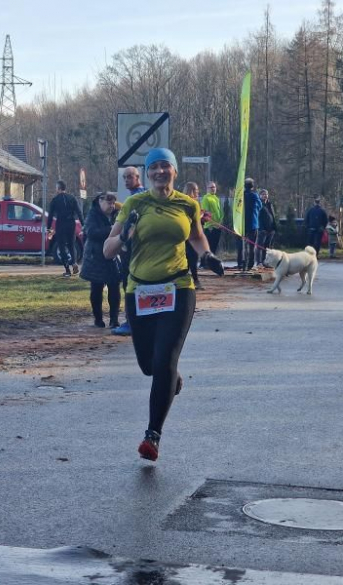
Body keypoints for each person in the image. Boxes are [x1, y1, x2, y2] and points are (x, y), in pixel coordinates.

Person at [103, 148, 224, 462]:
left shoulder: (187, 204)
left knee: (164, 360)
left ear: (174, 172)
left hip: (178, 288)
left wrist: (207, 255)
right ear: (146, 174)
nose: (159, 172)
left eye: (165, 167)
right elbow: (107, 249)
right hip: (140, 290)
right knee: (149, 366)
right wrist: (125, 236)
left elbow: (197, 237)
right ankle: (169, 376)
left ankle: (152, 435)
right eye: (153, 167)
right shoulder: (134, 204)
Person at [111, 167, 146, 337]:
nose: (126, 180)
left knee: (130, 285)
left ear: (138, 177)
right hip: (140, 247)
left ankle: (132, 321)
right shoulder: (140, 195)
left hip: (133, 248)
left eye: (130, 177)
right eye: (124, 177)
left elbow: (131, 223)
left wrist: (123, 242)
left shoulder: (136, 198)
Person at [81, 192, 121, 328]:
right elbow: (91, 232)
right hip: (95, 256)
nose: (112, 205)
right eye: (109, 202)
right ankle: (98, 318)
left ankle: (114, 319)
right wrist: (111, 229)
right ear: (100, 201)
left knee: (114, 287)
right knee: (96, 289)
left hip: (112, 255)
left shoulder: (117, 213)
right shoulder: (92, 214)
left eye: (113, 203)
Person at [46, 180, 84, 277]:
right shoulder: (72, 198)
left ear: (58, 188)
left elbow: (50, 216)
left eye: (56, 188)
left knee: (61, 246)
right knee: (71, 244)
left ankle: (67, 269)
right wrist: (83, 224)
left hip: (61, 224)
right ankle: (74, 262)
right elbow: (79, 212)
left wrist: (48, 228)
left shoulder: (55, 200)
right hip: (71, 223)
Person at [237, 178, 262, 270]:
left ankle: (240, 263)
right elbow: (260, 206)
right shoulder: (254, 196)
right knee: (251, 246)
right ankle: (250, 265)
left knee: (240, 245)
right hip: (252, 224)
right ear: (252, 186)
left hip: (241, 224)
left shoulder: (240, 196)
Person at [183, 182, 201, 285]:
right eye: (196, 190)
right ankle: (195, 280)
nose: (198, 193)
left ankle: (193, 279)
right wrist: (201, 218)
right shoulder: (190, 203)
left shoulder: (192, 202)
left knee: (191, 258)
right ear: (192, 191)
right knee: (192, 257)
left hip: (190, 233)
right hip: (190, 234)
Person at [199, 182, 223, 254]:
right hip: (210, 227)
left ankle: (211, 263)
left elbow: (220, 212)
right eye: (211, 187)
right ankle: (205, 263)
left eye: (214, 187)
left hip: (218, 226)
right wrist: (213, 223)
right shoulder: (206, 198)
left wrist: (220, 222)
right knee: (209, 248)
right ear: (207, 189)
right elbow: (205, 213)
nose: (213, 189)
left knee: (214, 247)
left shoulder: (216, 198)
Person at [256, 189, 276, 266]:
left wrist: (274, 228)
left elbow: (273, 216)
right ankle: (259, 262)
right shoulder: (259, 204)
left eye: (266, 194)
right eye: (263, 194)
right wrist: (261, 228)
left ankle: (266, 262)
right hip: (262, 230)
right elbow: (257, 217)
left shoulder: (269, 204)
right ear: (260, 195)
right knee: (260, 246)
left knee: (267, 247)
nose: (265, 195)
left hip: (271, 230)